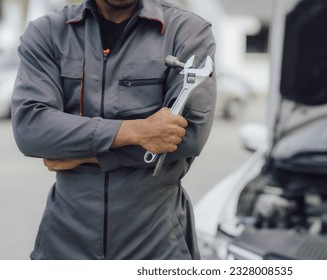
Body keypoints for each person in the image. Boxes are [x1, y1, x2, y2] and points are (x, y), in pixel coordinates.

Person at [11, 0, 216, 260]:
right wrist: (137, 131)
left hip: (158, 245)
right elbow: (31, 128)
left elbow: (189, 134)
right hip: (64, 244)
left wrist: (88, 154)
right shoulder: (47, 32)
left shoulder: (187, 31)